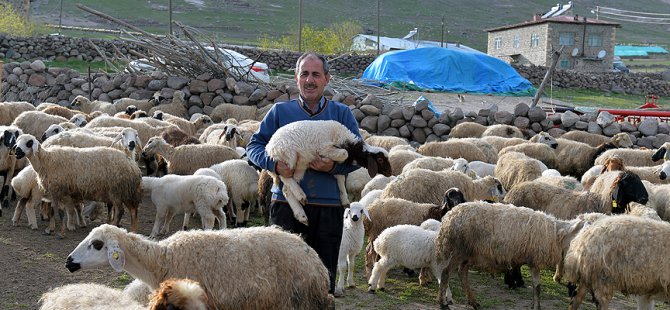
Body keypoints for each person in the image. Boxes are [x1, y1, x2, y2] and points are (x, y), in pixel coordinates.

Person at [246, 52, 362, 295]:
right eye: (305, 74)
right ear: (296, 78)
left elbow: (358, 156)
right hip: (285, 207)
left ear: (327, 79)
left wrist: (333, 168)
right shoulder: (279, 112)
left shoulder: (341, 114)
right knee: (281, 281)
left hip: (328, 210)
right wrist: (274, 165)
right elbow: (253, 147)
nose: (310, 80)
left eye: (316, 75)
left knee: (321, 282)